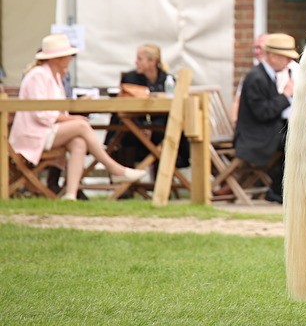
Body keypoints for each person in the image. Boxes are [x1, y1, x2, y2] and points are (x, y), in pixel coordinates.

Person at [8, 33, 145, 200]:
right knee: (81, 126)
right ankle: (114, 169)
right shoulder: (39, 75)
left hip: (45, 130)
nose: (71, 58)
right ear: (57, 58)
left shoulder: (54, 76)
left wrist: (72, 117)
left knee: (79, 141)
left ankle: (71, 194)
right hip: (32, 134)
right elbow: (42, 114)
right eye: (68, 55)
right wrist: (73, 119)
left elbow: (54, 111)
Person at [233, 33, 299, 203]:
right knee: (293, 144)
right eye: (286, 58)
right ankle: (277, 190)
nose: (288, 63)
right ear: (274, 56)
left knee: (297, 140)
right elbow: (263, 113)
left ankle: (278, 189)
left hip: (265, 132)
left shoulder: (267, 75)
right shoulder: (257, 77)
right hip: (254, 137)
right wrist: (285, 95)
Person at [106, 44, 190, 176]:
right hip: (134, 127)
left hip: (160, 129)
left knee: (172, 134)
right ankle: (126, 184)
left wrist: (152, 128)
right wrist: (142, 127)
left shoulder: (168, 80)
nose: (136, 62)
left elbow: (173, 110)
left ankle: (161, 181)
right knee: (127, 135)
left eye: (140, 59)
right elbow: (125, 109)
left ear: (152, 61)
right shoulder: (130, 78)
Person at [229, 34, 268, 123]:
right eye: (255, 48)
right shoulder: (252, 74)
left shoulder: (292, 71)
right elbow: (237, 101)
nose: (257, 52)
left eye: (260, 47)